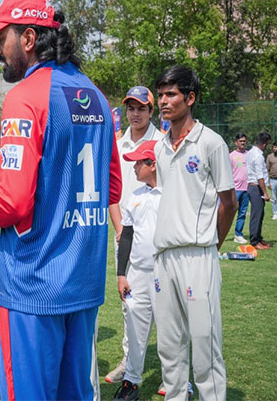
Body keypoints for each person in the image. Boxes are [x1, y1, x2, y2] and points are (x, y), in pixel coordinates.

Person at [0, 0, 122, 400]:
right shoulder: (99, 98)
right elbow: (112, 188)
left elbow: (13, 201)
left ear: (29, 39)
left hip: (33, 284)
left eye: (2, 38)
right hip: (82, 281)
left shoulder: (25, 98)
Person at [153, 65, 237, 400]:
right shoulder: (160, 146)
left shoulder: (211, 143)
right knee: (169, 348)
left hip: (198, 254)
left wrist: (212, 244)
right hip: (164, 257)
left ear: (190, 98)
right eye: (160, 94)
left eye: (171, 94)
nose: (163, 101)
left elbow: (228, 202)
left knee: (205, 346)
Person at [106, 86, 163, 391]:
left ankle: (174, 374)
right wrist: (119, 229)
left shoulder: (163, 143)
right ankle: (129, 363)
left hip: (158, 235)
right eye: (130, 108)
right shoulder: (117, 144)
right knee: (130, 305)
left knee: (169, 310)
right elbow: (112, 192)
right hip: (126, 231)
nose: (135, 113)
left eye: (141, 108)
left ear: (151, 111)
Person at [113, 140, 160, 401]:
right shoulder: (137, 196)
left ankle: (179, 384)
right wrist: (122, 273)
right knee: (134, 328)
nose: (134, 166)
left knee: (171, 331)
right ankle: (131, 384)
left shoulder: (172, 193)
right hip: (137, 273)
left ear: (153, 165)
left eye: (139, 162)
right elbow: (127, 236)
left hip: (165, 271)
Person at [246, 132, 271, 250]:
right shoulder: (258, 156)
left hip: (254, 187)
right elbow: (259, 176)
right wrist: (265, 193)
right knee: (256, 215)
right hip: (256, 187)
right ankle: (255, 241)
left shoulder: (250, 152)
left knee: (260, 214)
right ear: (264, 144)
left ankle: (259, 238)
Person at [229, 133, 250, 243]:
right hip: (235, 189)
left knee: (242, 213)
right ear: (236, 142)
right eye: (240, 141)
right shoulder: (231, 156)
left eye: (244, 141)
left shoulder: (249, 155)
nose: (243, 143)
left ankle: (238, 234)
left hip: (247, 189)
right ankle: (218, 232)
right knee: (228, 213)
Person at [266, 141, 277, 220]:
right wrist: (268, 182)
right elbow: (267, 169)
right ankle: (275, 213)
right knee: (274, 198)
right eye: (273, 147)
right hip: (272, 180)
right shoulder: (269, 157)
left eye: (276, 147)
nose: (274, 148)